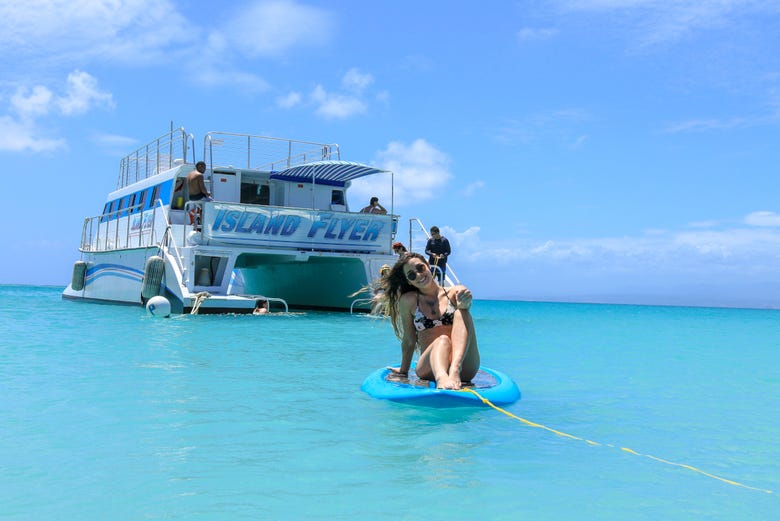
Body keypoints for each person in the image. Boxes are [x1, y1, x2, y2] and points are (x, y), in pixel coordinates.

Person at [376, 252, 480, 390]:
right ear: (408, 281)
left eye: (420, 268)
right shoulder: (409, 301)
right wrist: (403, 370)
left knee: (462, 312)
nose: (419, 275)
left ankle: (455, 370)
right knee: (442, 340)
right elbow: (409, 339)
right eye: (412, 275)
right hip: (429, 368)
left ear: (428, 266)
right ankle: (442, 377)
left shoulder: (454, 293)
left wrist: (465, 301)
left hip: (464, 368)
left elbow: (463, 294)